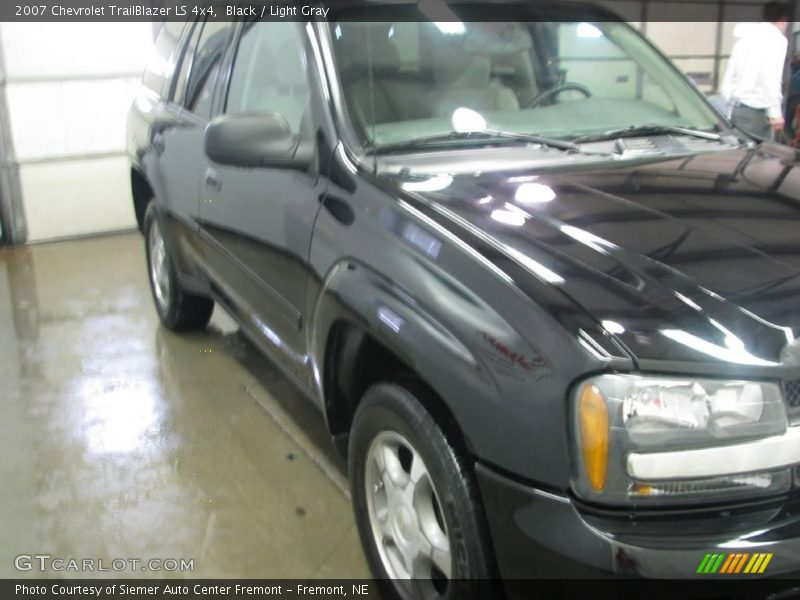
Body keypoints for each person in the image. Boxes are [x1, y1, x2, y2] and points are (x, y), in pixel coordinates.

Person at [721, 1, 790, 140]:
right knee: (759, 159)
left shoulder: (745, 37)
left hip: (737, 110)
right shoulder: (777, 40)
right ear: (783, 20)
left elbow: (730, 73)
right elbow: (771, 77)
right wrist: (775, 113)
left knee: (736, 157)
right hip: (757, 115)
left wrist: (729, 105)